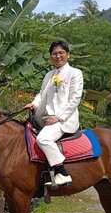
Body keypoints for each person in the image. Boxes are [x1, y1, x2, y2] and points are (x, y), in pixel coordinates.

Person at [24, 41, 84, 187]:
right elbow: (41, 95)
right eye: (54, 54)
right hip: (47, 118)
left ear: (67, 55)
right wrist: (34, 104)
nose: (58, 56)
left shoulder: (75, 73)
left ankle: (62, 173)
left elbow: (75, 99)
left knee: (43, 139)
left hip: (64, 120)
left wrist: (59, 117)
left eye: (61, 53)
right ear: (51, 56)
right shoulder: (48, 75)